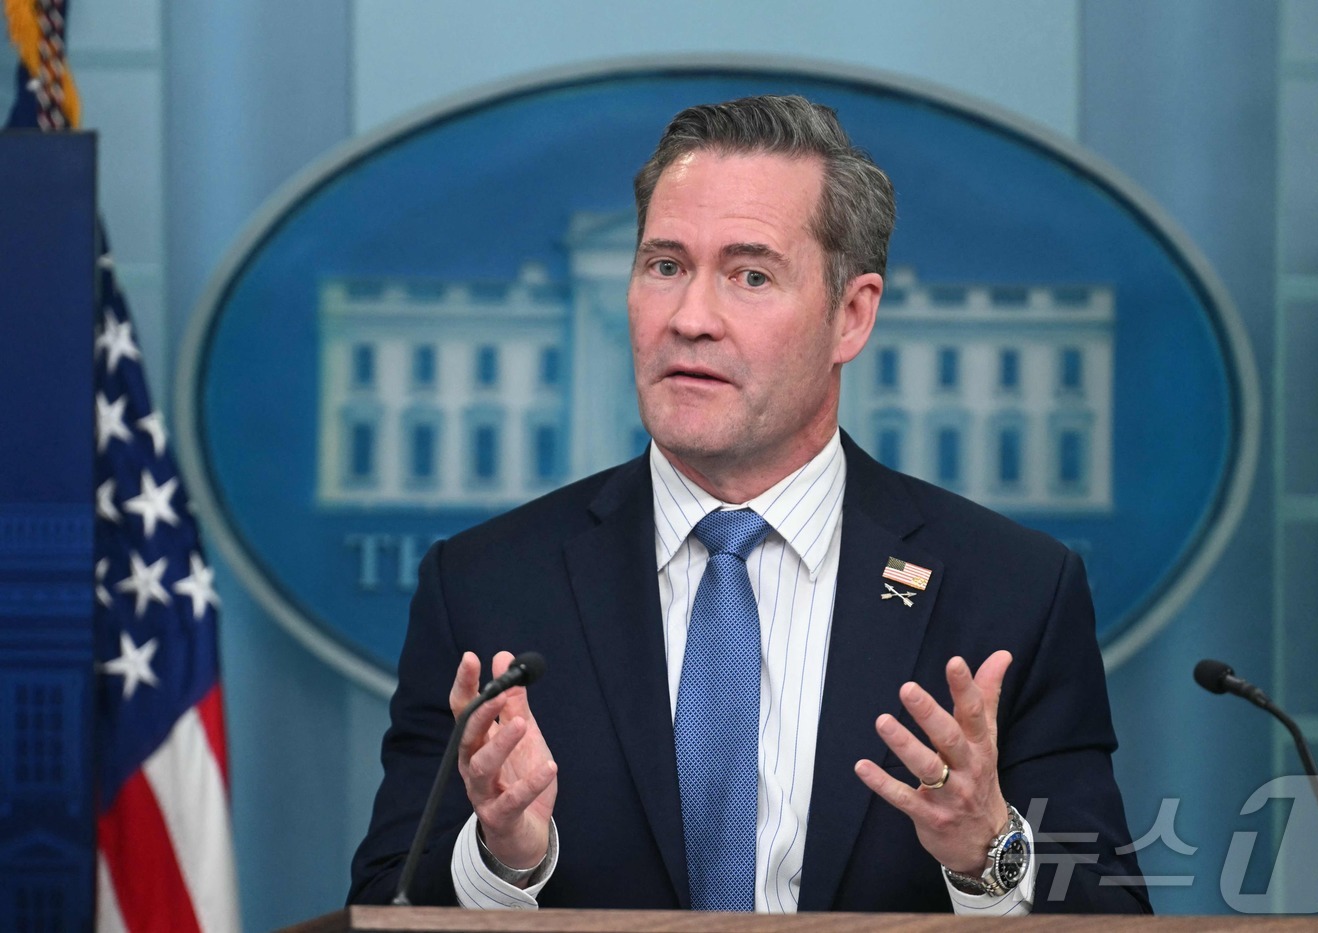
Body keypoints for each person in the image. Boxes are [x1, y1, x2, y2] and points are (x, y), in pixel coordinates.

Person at [349, 94, 1150, 915]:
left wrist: (990, 853)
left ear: (851, 316)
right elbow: (386, 902)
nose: (690, 318)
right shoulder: (484, 588)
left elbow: (1111, 915)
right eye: (665, 266)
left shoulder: (1013, 592)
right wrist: (501, 858)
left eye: (751, 275)